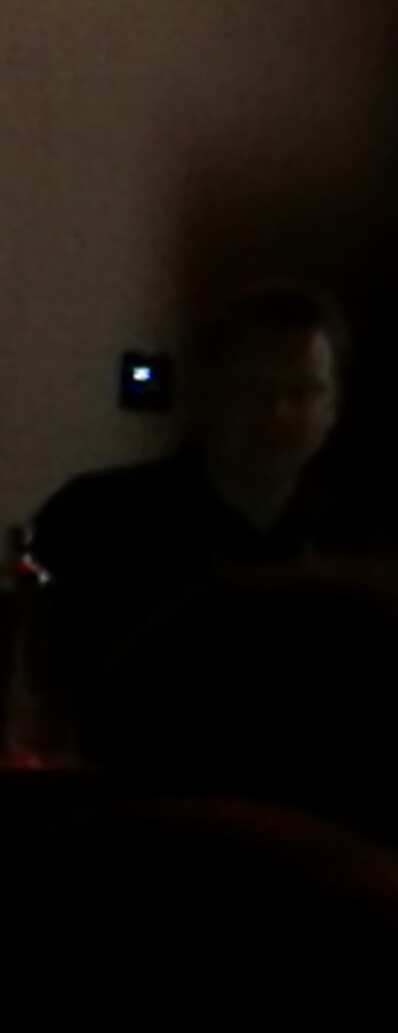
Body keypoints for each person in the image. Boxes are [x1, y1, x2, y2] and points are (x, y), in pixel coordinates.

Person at [27, 278, 350, 717]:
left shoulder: (362, 549)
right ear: (205, 394)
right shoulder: (96, 522)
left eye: (302, 392)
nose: (277, 414)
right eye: (253, 389)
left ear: (333, 409)